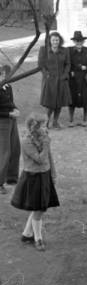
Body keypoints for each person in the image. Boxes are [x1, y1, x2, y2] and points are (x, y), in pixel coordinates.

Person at [11, 113, 59, 251]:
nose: (46, 127)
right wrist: (46, 143)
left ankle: (27, 234)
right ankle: (38, 239)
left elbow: (49, 157)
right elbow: (40, 159)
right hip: (33, 178)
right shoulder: (26, 141)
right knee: (39, 209)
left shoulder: (44, 138)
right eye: (43, 125)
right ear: (35, 127)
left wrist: (53, 174)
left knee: (39, 207)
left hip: (44, 176)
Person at [38, 32, 72, 129]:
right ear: (49, 40)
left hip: (61, 80)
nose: (55, 42)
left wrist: (65, 75)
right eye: (53, 40)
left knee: (59, 102)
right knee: (49, 103)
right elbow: (41, 65)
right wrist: (46, 75)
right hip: (49, 81)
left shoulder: (65, 50)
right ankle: (46, 122)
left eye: (57, 40)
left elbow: (68, 64)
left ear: (59, 40)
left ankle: (55, 122)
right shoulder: (43, 50)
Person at [67, 31, 87, 127]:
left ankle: (85, 119)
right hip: (73, 79)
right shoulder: (69, 51)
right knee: (71, 99)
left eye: (80, 41)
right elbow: (66, 63)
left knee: (86, 99)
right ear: (74, 41)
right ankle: (71, 120)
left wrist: (86, 67)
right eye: (77, 41)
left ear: (83, 41)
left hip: (86, 78)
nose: (79, 42)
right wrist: (70, 71)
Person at [0, 64, 20, 194]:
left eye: (4, 74)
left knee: (15, 148)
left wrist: (15, 109)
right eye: (1, 75)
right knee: (4, 152)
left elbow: (11, 102)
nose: (3, 77)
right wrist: (8, 114)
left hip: (12, 121)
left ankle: (11, 177)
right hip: (2, 122)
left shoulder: (8, 87)